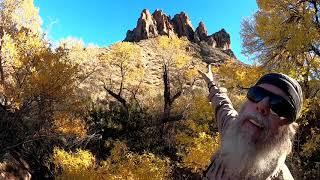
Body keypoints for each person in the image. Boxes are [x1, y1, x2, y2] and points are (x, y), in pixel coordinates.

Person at [198, 65, 303, 180]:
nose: (262, 105)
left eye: (278, 106)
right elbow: (222, 104)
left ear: (287, 127)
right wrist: (210, 82)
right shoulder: (231, 129)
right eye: (257, 94)